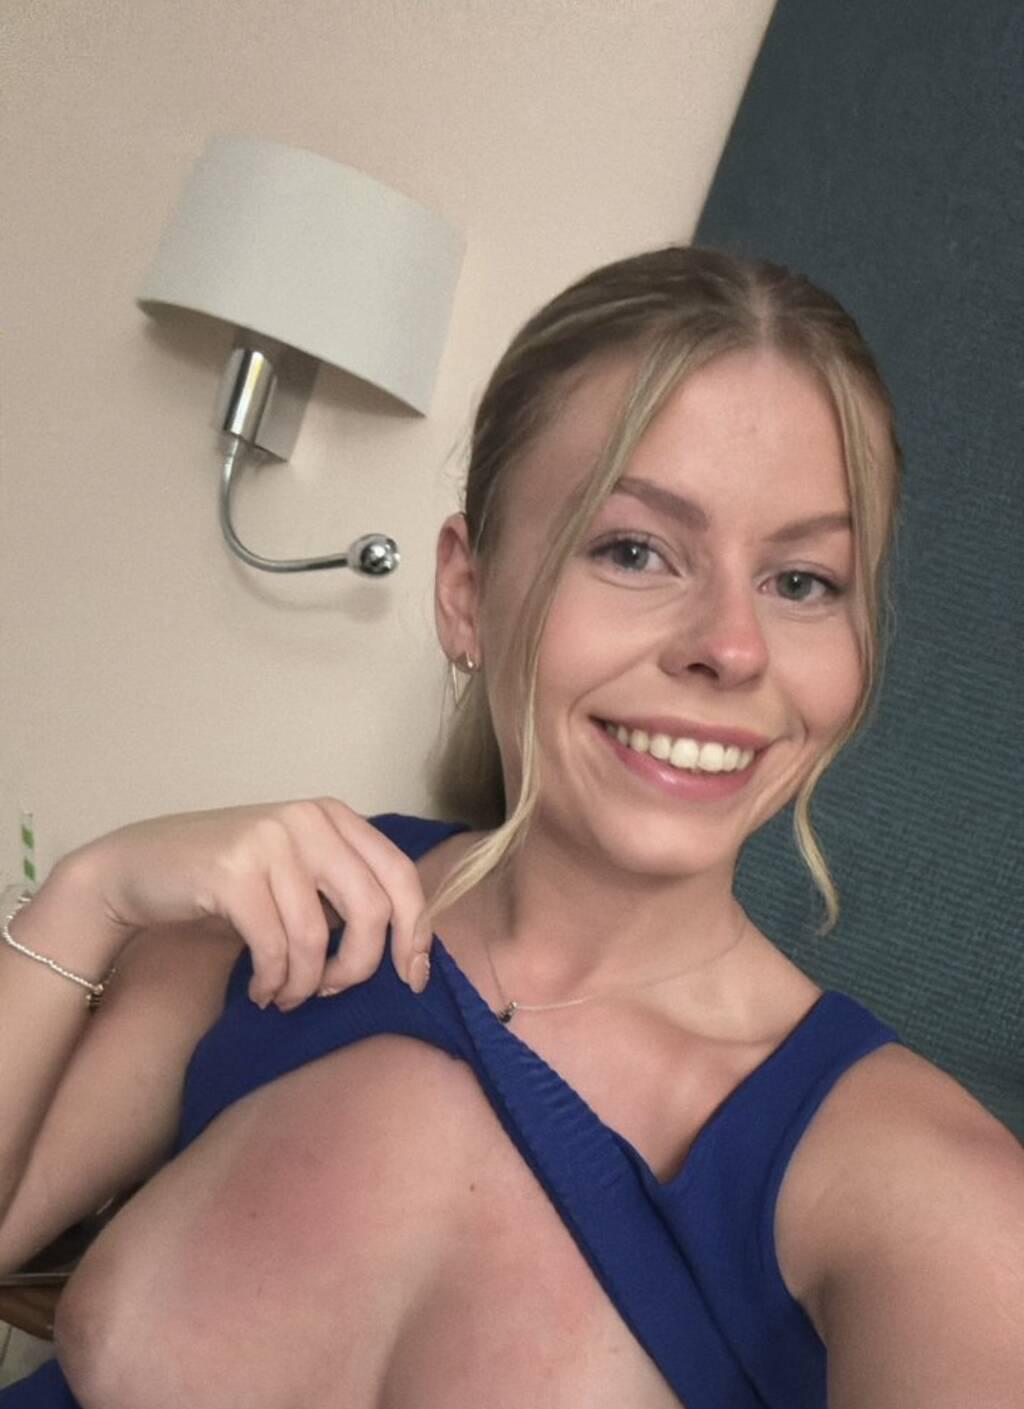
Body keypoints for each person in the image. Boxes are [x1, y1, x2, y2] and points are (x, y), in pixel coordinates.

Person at [0, 247, 1021, 1409]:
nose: (730, 647)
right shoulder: (290, 922)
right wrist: (91, 892)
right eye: (633, 549)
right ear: (466, 592)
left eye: (802, 581)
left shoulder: (925, 1195)